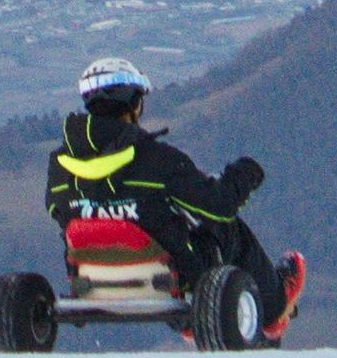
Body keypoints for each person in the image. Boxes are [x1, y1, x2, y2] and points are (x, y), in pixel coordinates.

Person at [51, 57, 297, 330]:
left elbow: (58, 212)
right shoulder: (158, 160)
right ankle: (276, 303)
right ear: (134, 104)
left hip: (90, 277)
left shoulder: (59, 168)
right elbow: (218, 205)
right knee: (227, 229)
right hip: (178, 279)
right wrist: (245, 174)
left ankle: (190, 322)